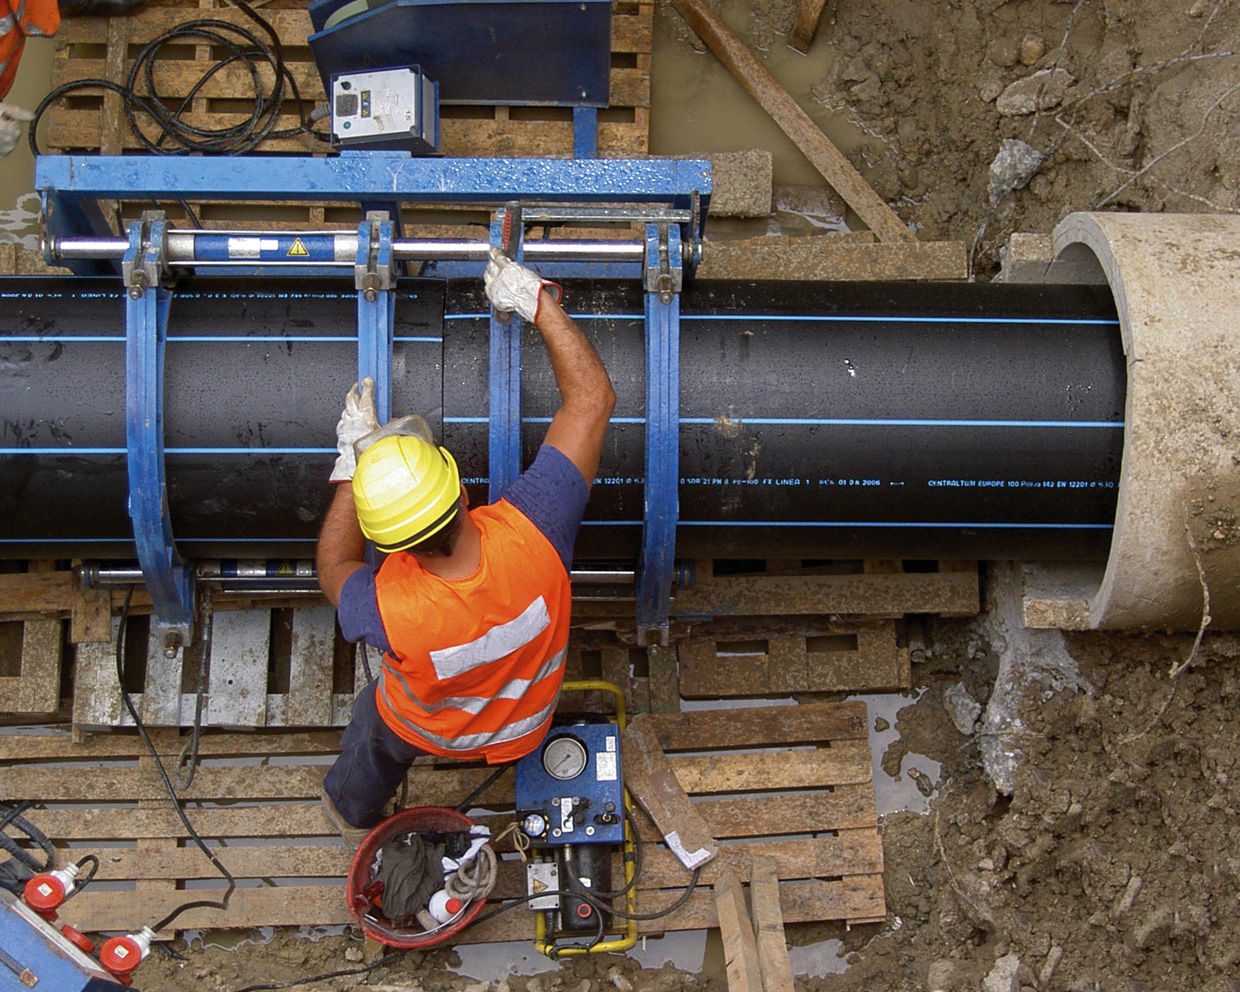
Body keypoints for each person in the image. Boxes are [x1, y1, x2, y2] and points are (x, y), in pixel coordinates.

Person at [317, 251, 616, 845]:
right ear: (459, 489)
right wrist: (535, 301)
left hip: (425, 730)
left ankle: (351, 813)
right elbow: (592, 398)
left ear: (389, 546)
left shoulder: (385, 606)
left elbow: (333, 563)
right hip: (526, 725)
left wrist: (353, 466)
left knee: (375, 724)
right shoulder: (537, 531)